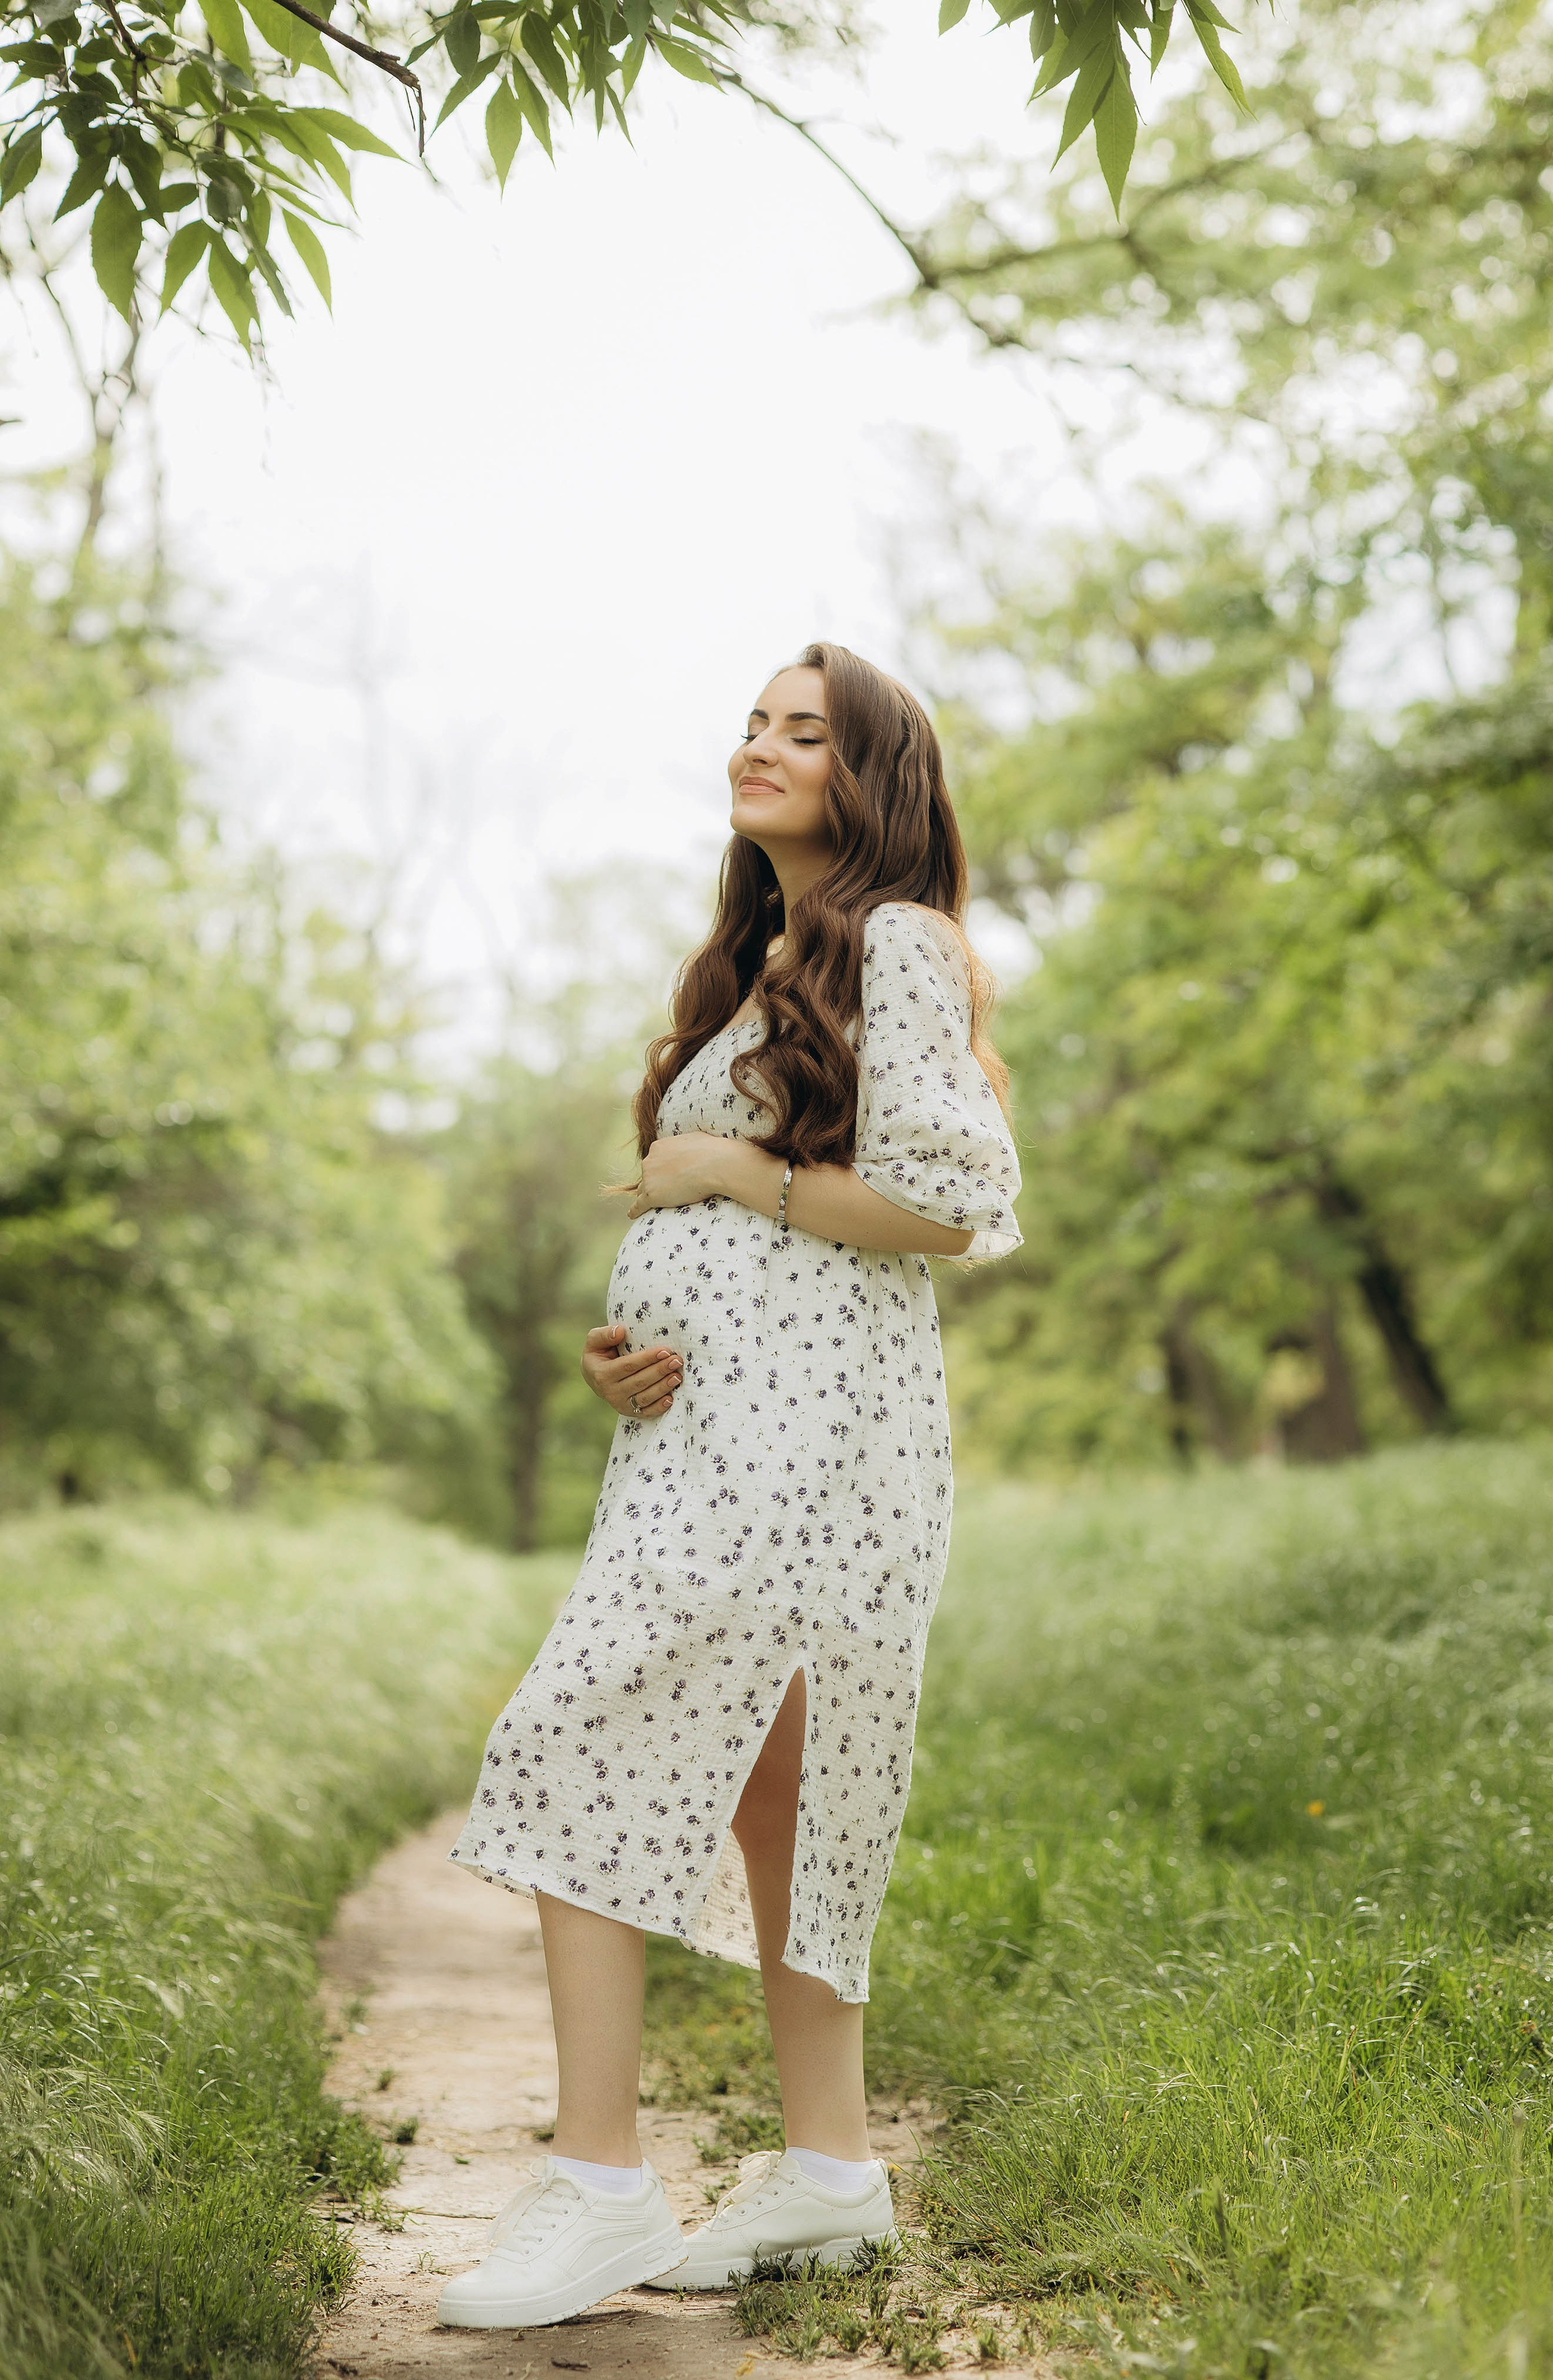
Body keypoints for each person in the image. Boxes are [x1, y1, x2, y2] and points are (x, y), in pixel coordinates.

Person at [441, 643, 1022, 2329]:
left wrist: (729, 1172)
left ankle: (603, 2180)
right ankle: (832, 2172)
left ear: (876, 777)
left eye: (806, 732)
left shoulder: (900, 944)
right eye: (754, 723)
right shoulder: (761, 964)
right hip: (704, 1437)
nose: (761, 746)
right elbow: (734, 1230)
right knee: (778, 1782)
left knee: (566, 1729)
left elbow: (948, 1200)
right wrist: (632, 1350)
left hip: (814, 1449)